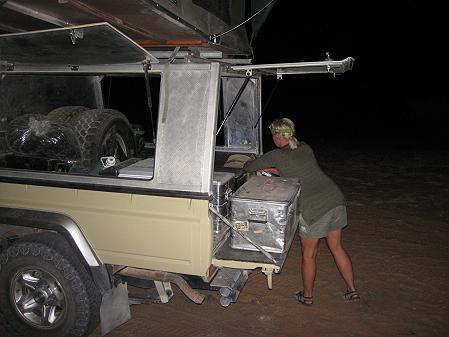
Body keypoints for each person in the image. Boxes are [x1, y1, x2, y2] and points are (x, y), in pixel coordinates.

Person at [243, 118, 360, 305]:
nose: (272, 138)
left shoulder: (276, 154)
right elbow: (296, 169)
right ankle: (352, 290)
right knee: (336, 248)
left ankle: (307, 296)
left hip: (314, 208)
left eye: (273, 134)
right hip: (334, 199)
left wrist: (259, 164)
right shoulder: (304, 147)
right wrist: (273, 169)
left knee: (309, 254)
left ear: (279, 136)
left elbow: (248, 167)